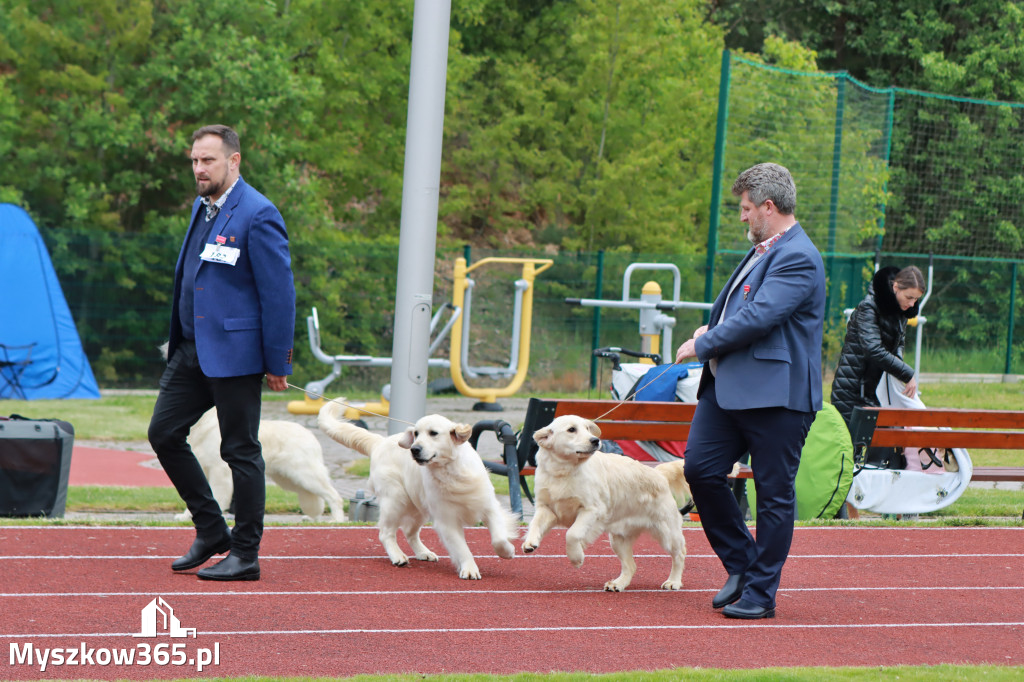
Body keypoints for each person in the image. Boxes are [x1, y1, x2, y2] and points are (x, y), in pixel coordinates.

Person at [675, 162, 825, 620]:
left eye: (745, 208)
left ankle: (761, 595)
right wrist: (714, 326)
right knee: (700, 470)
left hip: (778, 397)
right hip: (729, 388)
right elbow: (744, 310)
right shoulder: (764, 248)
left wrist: (703, 342)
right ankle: (743, 565)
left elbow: (762, 316)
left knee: (774, 495)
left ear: (768, 206)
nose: (741, 216)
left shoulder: (799, 255)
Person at [148, 124, 296, 582]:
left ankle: (245, 553)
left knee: (240, 451)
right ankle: (212, 529)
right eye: (194, 160)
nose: (198, 168)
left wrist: (278, 361)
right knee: (163, 433)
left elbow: (279, 295)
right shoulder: (202, 208)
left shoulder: (259, 213)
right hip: (191, 351)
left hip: (236, 354)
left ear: (234, 161)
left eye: (207, 160)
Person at [830, 265, 927, 468]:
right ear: (895, 287)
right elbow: (872, 349)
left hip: (876, 389)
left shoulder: (900, 311)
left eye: (916, 300)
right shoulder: (869, 307)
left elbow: (897, 344)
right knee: (850, 453)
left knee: (876, 453)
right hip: (854, 388)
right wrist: (907, 373)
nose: (912, 304)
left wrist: (899, 371)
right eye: (909, 297)